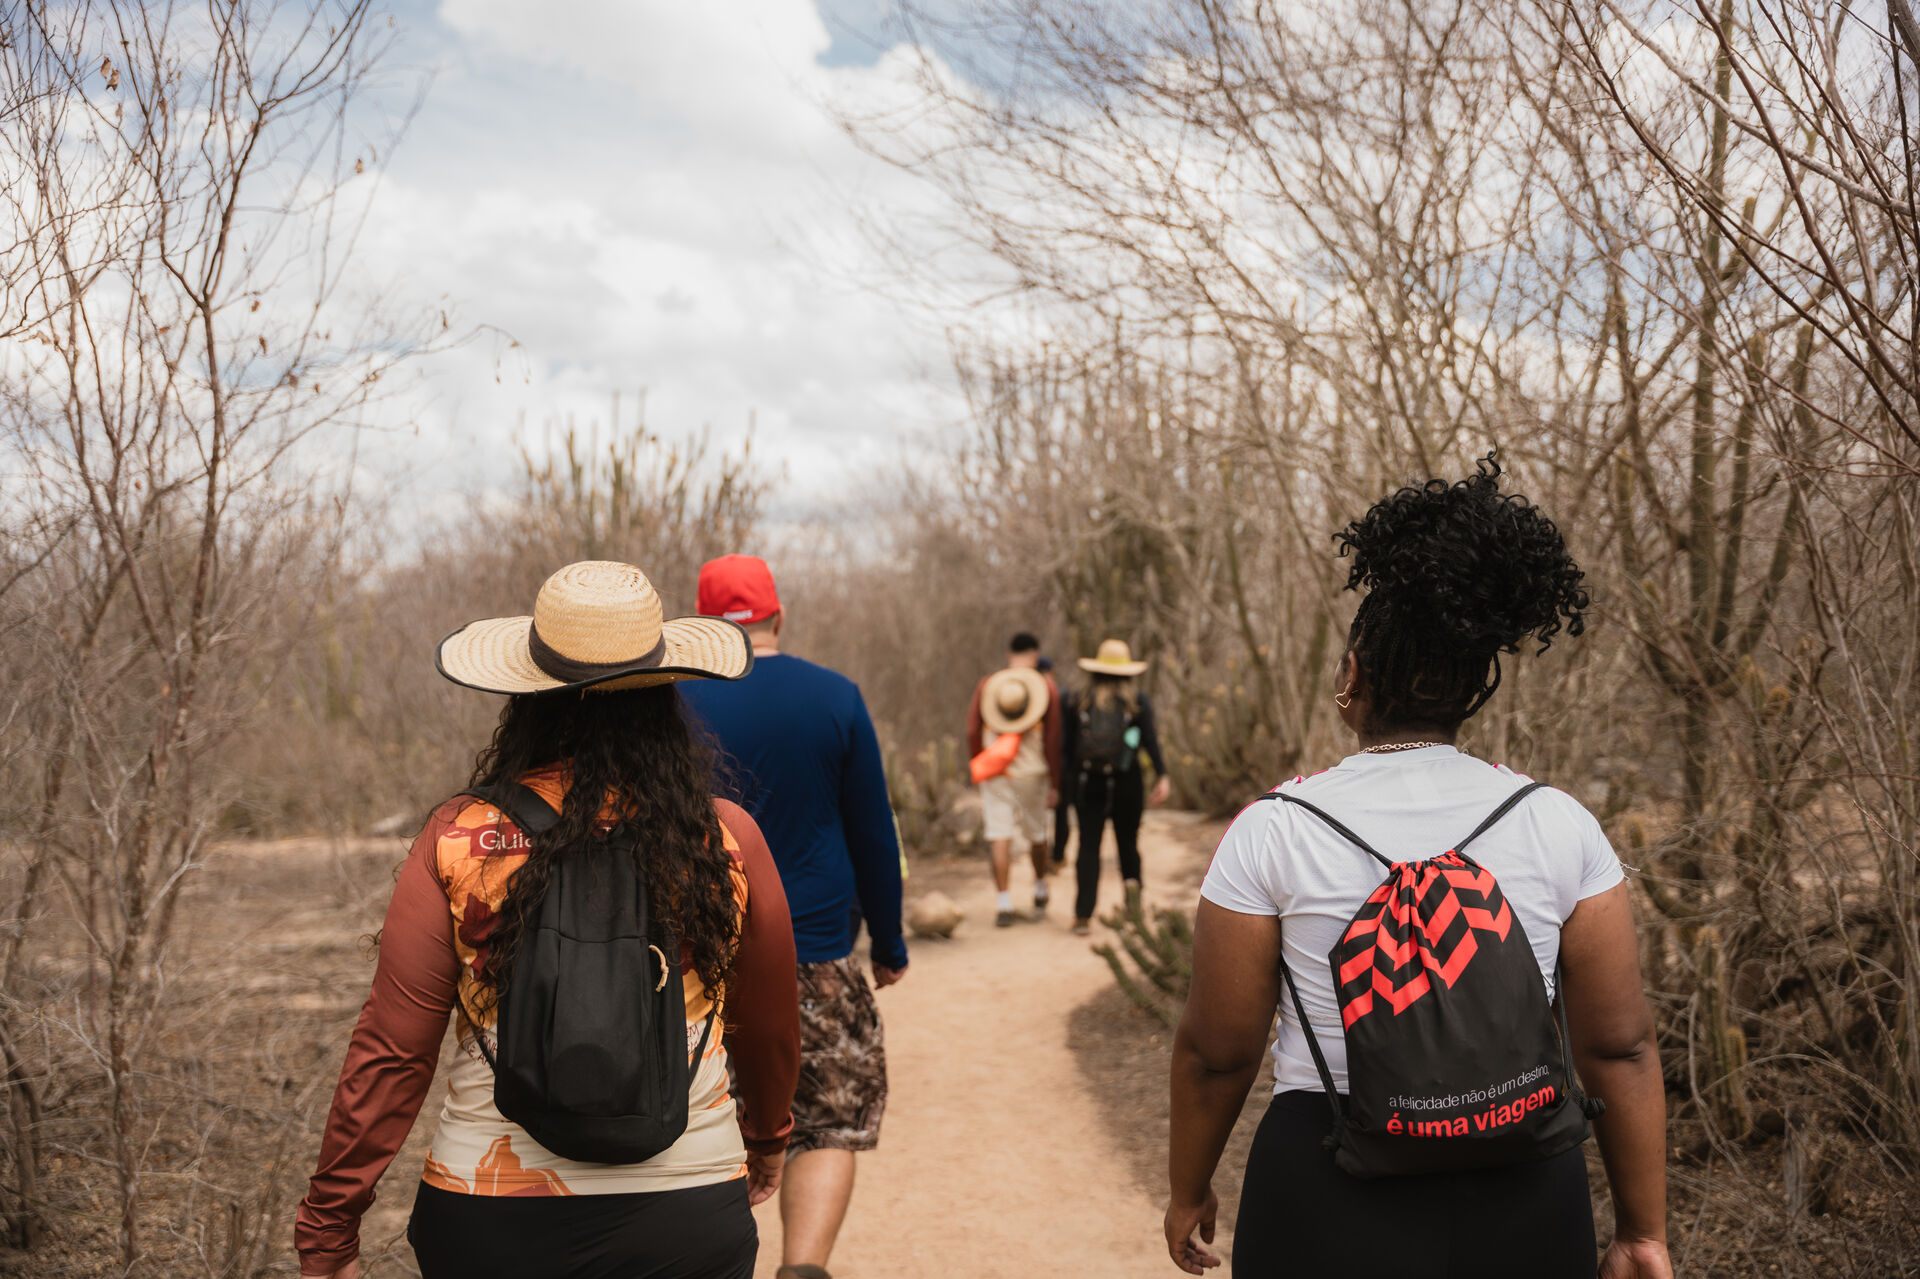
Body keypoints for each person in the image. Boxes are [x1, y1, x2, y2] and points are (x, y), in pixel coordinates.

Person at [1165, 459, 1671, 1279]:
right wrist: (1642, 1231)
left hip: (1326, 1191)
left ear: (1352, 679)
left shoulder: (1272, 830)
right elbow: (1620, 1046)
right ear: (1475, 691)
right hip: (1524, 1186)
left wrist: (1188, 1185)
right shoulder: (1557, 820)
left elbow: (1218, 1051)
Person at [296, 560, 800, 1279]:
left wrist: (329, 1224)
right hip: (686, 1204)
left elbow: (393, 1051)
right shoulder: (723, 838)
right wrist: (769, 1134)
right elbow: (773, 1024)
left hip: (489, 1215)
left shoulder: (458, 835)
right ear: (662, 697)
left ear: (527, 695)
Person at [678, 554, 906, 1279]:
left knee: (697, 1116)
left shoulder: (667, 703)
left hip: (693, 959)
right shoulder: (835, 696)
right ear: (779, 616)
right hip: (815, 947)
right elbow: (872, 829)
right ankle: (802, 1267)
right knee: (828, 1116)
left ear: (702, 624)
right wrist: (888, 940)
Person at [1062, 638, 1172, 935]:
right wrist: (1162, 774)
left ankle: (1083, 916)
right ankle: (1132, 912)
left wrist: (1066, 787)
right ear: (1127, 672)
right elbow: (1149, 740)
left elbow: (1068, 748)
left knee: (1088, 847)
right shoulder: (1136, 702)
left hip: (1088, 784)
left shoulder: (1077, 700)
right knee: (1128, 846)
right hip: (1127, 783)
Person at [965, 632, 1065, 926]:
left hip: (996, 772)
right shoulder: (1046, 687)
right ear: (1035, 655)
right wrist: (1056, 782)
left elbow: (972, 730)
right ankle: (1039, 886)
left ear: (1009, 655)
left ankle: (1003, 902)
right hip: (1032, 773)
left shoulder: (988, 685)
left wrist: (979, 762)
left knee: (999, 835)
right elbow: (1054, 738)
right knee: (1037, 834)